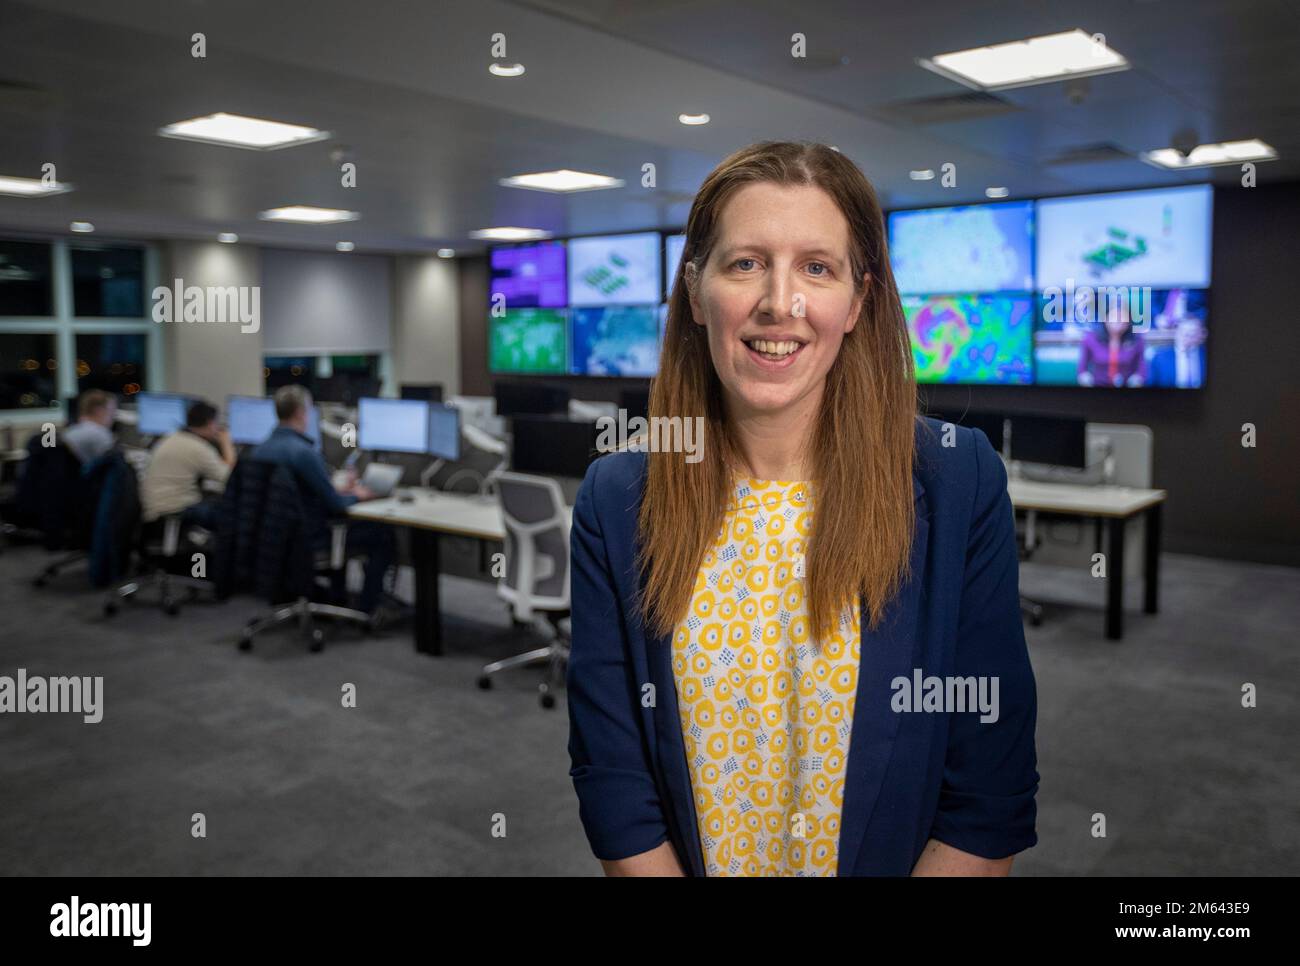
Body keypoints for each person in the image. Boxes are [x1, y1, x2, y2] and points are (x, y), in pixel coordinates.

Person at [566, 141, 1039, 877]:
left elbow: (987, 797)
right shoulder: (618, 498)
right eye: (745, 262)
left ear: (859, 301)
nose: (778, 303)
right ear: (696, 292)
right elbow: (614, 781)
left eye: (816, 268)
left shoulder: (956, 482)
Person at [251, 385, 395, 616]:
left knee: (344, 527)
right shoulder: (303, 453)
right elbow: (336, 505)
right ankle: (368, 610)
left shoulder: (260, 450)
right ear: (300, 412)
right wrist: (358, 495)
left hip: (276, 538)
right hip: (307, 540)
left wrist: (333, 488)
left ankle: (338, 598)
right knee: (382, 534)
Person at [140, 399, 234, 529]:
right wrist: (226, 443)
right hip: (176, 509)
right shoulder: (198, 447)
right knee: (231, 512)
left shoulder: (171, 437)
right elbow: (230, 477)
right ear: (210, 423)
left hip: (154, 508)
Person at [61, 389, 117, 465]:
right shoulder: (100, 434)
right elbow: (115, 467)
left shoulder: (70, 431)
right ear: (98, 411)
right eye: (111, 412)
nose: (113, 417)